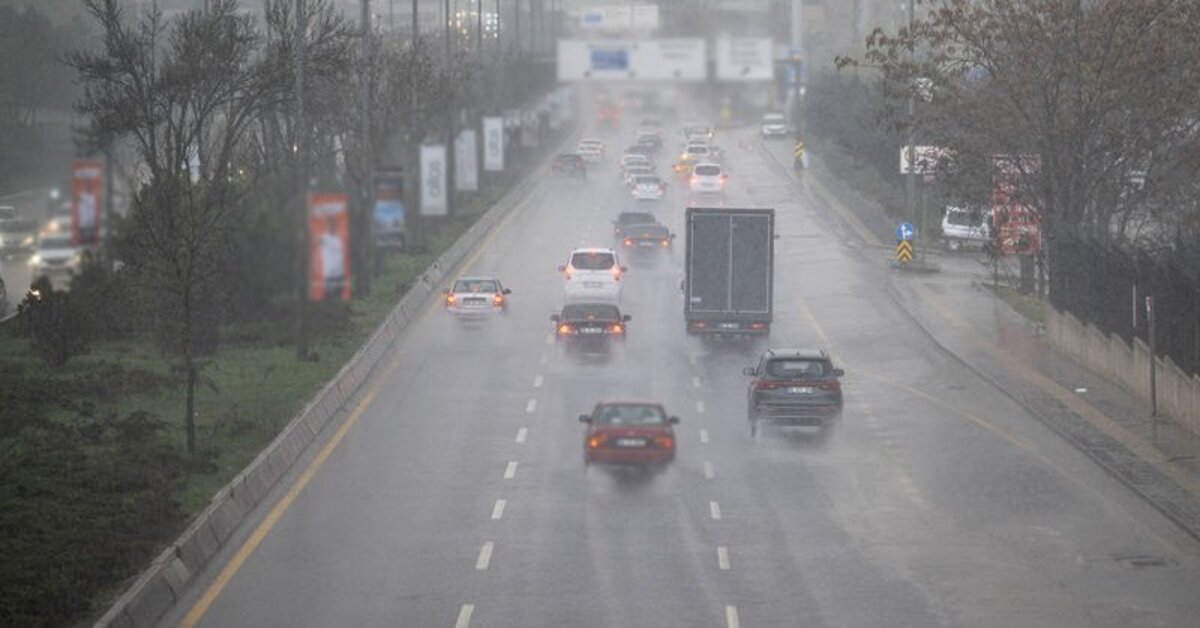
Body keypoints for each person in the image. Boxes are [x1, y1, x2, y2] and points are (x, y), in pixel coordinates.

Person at [318, 216, 345, 300]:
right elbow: (318, 241)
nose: (331, 226)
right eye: (329, 224)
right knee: (329, 296)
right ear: (326, 225)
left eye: (333, 224)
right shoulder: (323, 237)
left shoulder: (338, 238)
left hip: (339, 273)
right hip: (330, 273)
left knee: (338, 296)